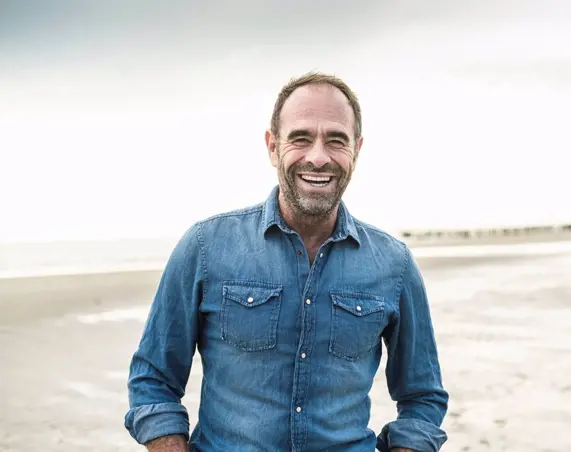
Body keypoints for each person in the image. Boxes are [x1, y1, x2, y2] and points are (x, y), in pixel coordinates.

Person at [125, 72, 449, 452]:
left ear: (356, 150)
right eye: (300, 138)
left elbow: (423, 397)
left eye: (336, 140)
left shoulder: (394, 265)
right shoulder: (205, 248)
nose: (318, 156)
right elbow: (153, 379)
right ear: (273, 147)